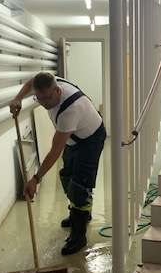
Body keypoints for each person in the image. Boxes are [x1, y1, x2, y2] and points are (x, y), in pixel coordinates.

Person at [9, 72, 105, 255]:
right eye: (40, 98)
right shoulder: (49, 82)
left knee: (79, 187)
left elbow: (55, 151)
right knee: (66, 175)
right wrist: (18, 98)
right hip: (74, 138)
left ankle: (79, 236)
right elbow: (31, 82)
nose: (44, 103)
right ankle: (80, 213)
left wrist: (35, 179)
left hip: (91, 139)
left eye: (48, 98)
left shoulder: (70, 111)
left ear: (57, 91)